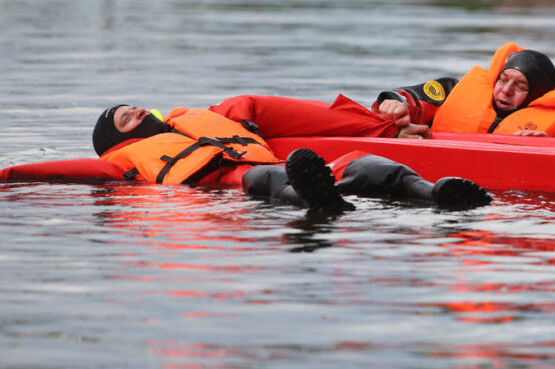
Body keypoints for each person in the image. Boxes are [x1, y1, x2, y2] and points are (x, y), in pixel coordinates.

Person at [90, 96, 491, 215]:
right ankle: (316, 198)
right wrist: (21, 174)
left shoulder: (217, 116)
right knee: (263, 178)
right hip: (231, 186)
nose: (138, 111)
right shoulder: (120, 162)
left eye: (135, 106)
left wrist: (382, 129)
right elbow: (62, 170)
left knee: (363, 163)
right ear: (119, 140)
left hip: (274, 171)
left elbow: (302, 114)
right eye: (127, 118)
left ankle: (433, 193)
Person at [372, 42, 555, 139]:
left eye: (521, 87)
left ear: (536, 96)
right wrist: (395, 104)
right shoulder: (452, 89)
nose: (506, 90)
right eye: (503, 79)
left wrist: (545, 146)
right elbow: (409, 97)